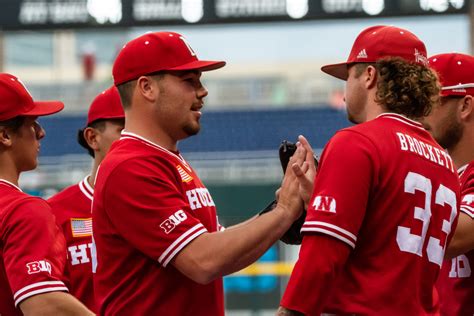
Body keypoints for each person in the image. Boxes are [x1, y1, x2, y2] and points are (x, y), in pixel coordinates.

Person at [92, 31, 308, 315]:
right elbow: (203, 261)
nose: (202, 91)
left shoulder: (169, 160)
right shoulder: (130, 166)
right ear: (147, 87)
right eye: (188, 81)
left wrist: (280, 213)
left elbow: (220, 246)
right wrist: (283, 212)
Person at [278, 25, 460, 315]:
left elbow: (323, 254)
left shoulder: (357, 142)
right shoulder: (445, 162)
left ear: (370, 76)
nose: (345, 89)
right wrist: (320, 198)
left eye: (349, 75)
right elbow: (384, 245)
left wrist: (290, 311)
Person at [0, 73, 93, 315]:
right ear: (5, 136)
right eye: (32, 124)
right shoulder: (22, 209)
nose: (41, 133)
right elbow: (44, 305)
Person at [47, 86, 125, 313]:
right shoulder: (54, 212)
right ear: (92, 137)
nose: (135, 140)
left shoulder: (162, 204)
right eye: (124, 130)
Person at [421, 53, 474, 316]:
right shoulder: (443, 176)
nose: (419, 114)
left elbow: (453, 238)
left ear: (465, 106)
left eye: (430, 101)